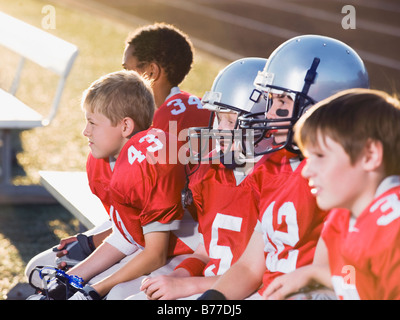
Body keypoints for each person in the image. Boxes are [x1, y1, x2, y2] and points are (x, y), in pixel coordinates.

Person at [24, 23, 209, 280]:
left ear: (151, 72)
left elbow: (153, 210)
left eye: (128, 68)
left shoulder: (162, 128)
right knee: (41, 269)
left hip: (172, 234)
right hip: (143, 223)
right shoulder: (179, 107)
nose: (122, 74)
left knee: (45, 272)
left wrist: (93, 241)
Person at [198, 34, 370, 300]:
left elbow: (334, 277)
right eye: (271, 101)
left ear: (321, 106)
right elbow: (248, 267)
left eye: (281, 102)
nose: (268, 114)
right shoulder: (272, 167)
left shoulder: (344, 178)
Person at [29, 70, 194, 300]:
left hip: (184, 254)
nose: (85, 131)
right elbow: (128, 234)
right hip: (144, 247)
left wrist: (93, 290)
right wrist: (72, 277)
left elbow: (155, 254)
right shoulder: (105, 161)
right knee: (48, 279)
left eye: (92, 123)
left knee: (113, 295)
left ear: (125, 126)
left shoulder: (150, 162)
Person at [128, 57, 269, 300]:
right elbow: (208, 249)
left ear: (262, 124)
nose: (221, 129)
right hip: (211, 283)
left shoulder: (271, 182)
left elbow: (257, 273)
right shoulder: (211, 169)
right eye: (218, 117)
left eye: (231, 120)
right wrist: (181, 276)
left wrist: (188, 286)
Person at [263, 88, 400, 300]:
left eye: (319, 155)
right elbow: (361, 283)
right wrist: (315, 272)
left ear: (370, 155)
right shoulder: (347, 213)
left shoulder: (392, 230)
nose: (307, 170)